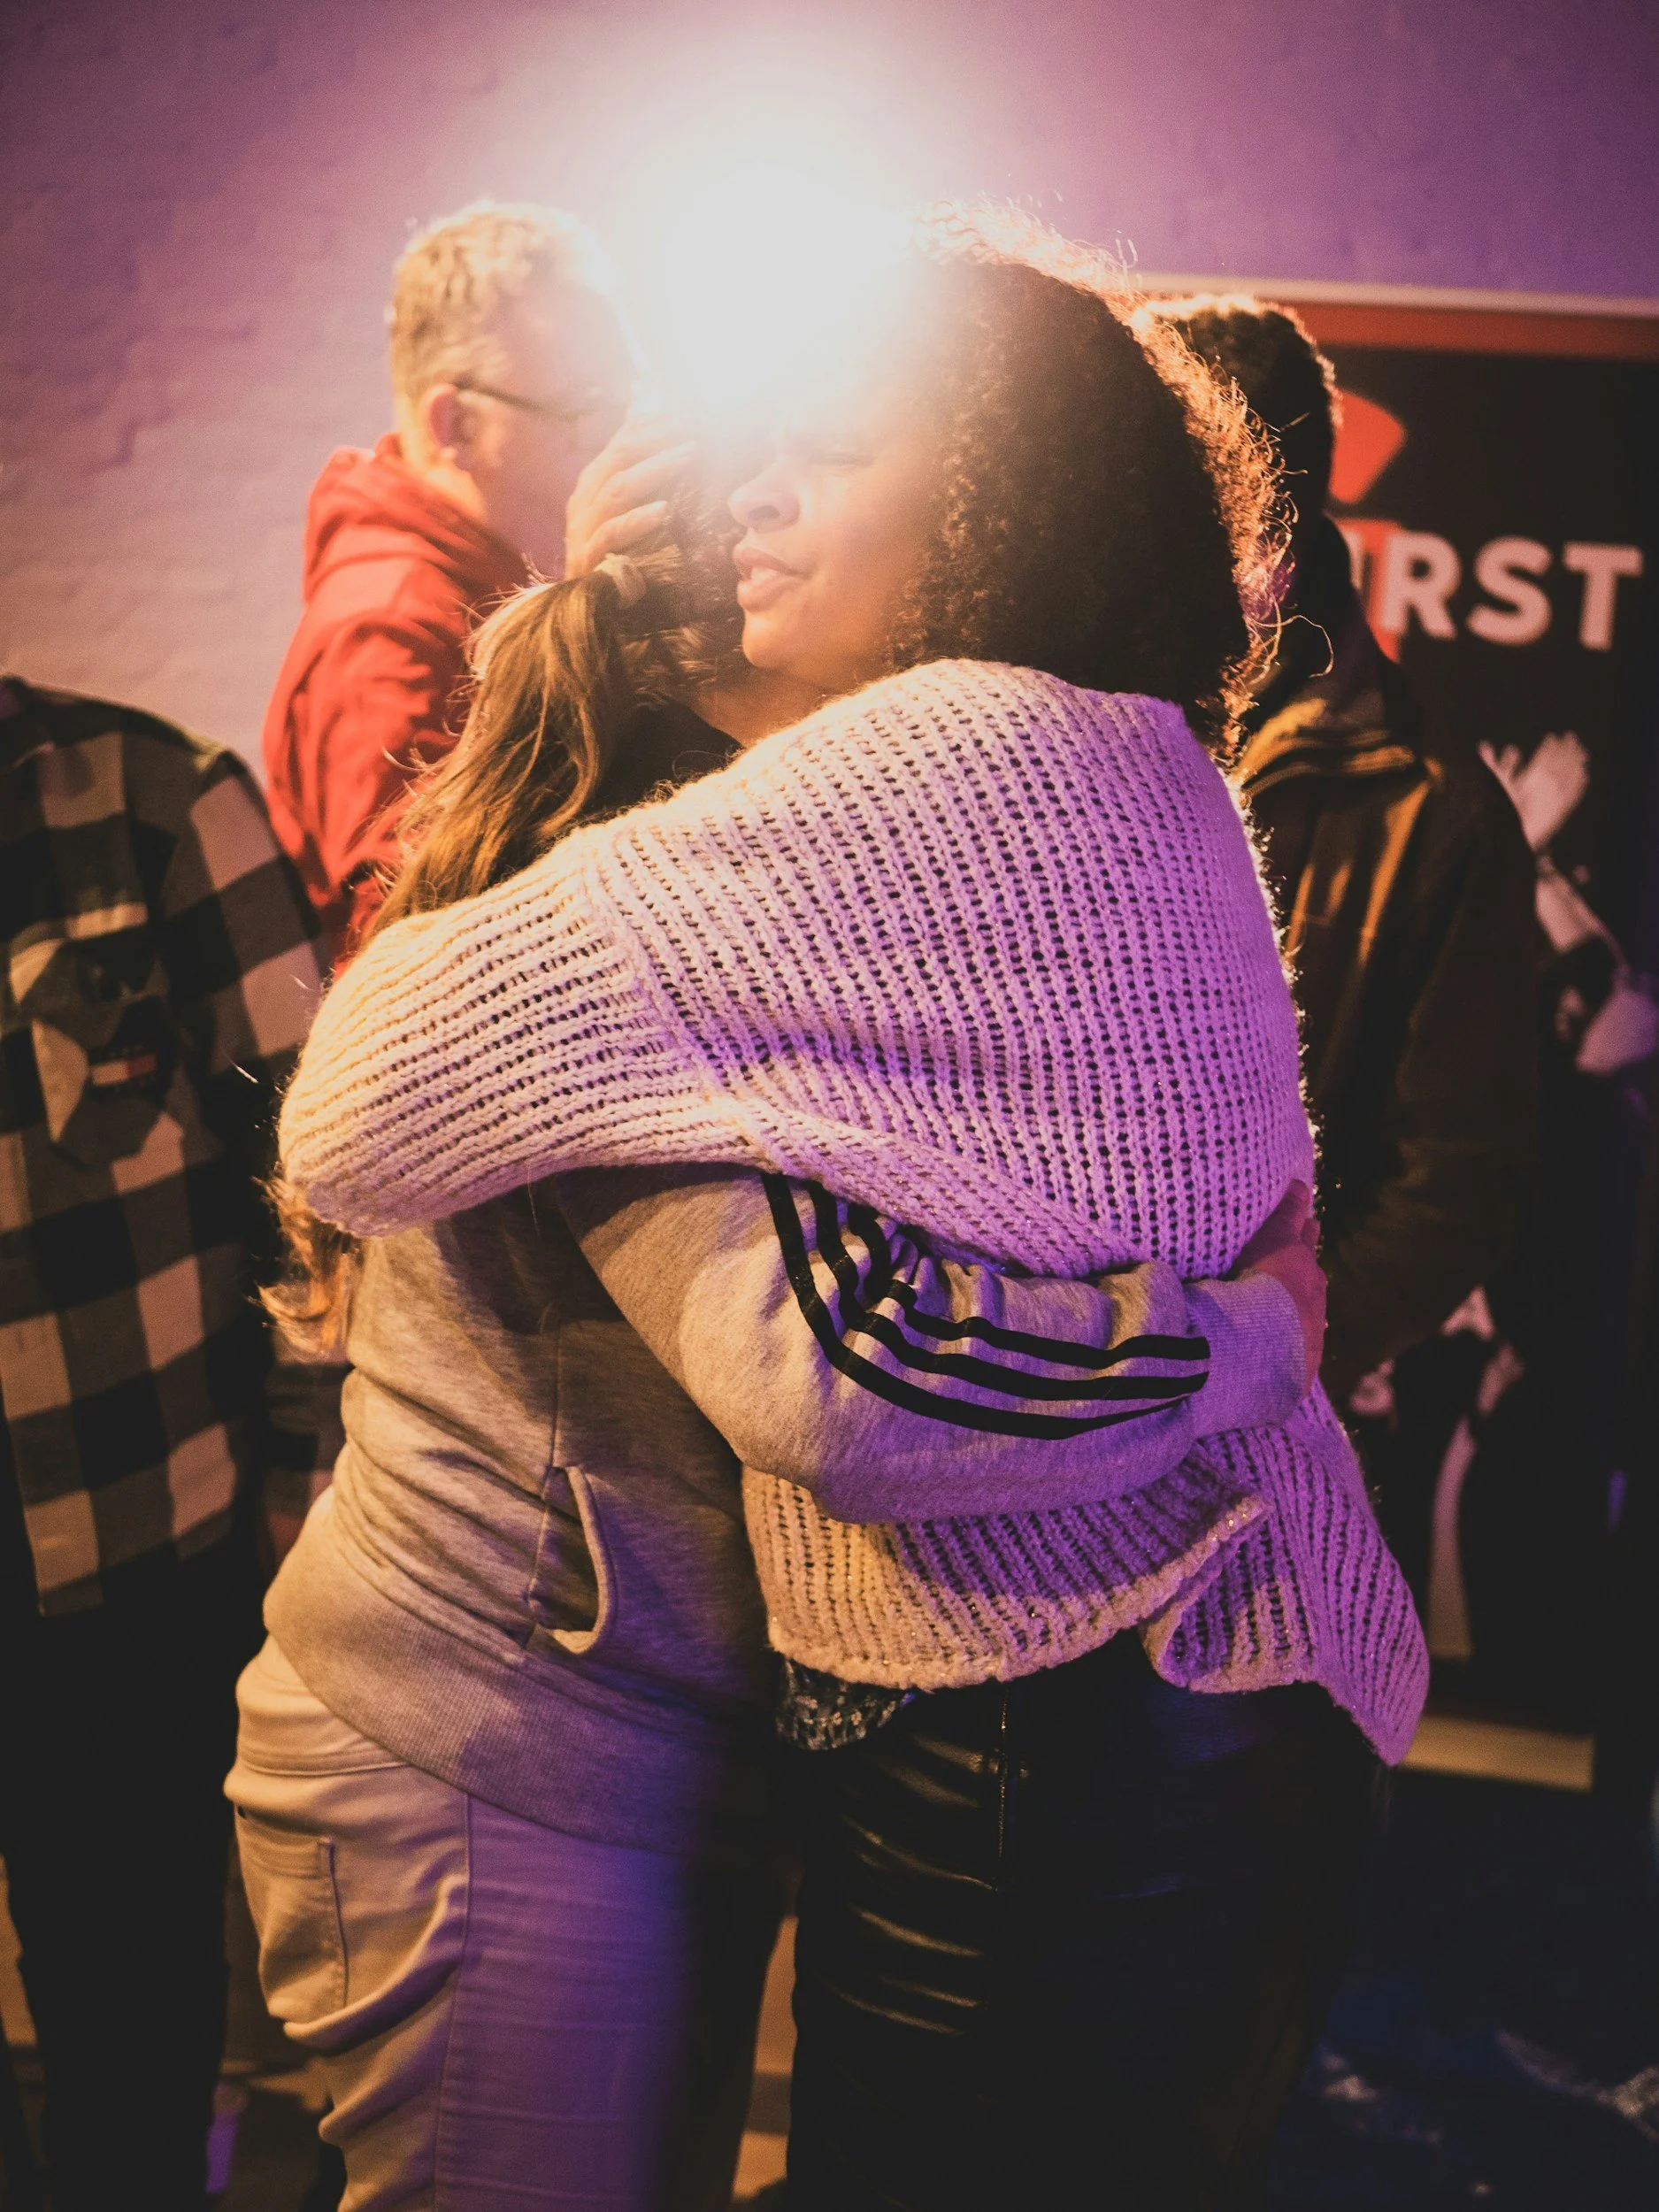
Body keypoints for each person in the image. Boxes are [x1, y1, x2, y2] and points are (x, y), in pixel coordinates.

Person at [277, 210, 1425, 2210]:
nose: (758, 500)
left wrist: (1242, 1340)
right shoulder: (1148, 761)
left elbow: (355, 1111)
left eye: (833, 451)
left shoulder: (904, 782)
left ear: (992, 494)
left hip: (1026, 1742)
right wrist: (1249, 1340)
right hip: (1196, 1697)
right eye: (749, 452)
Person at [0, 673, 328, 2210]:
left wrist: (298, 1501)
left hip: (135, 1554)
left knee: (130, 2040)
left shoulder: (148, 803)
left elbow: (314, 1210)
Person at [1151, 296, 1538, 1412]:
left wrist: (1264, 1364)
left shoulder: (1437, 817)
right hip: (1044, 1389)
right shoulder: (1057, 725)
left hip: (1267, 1437)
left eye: (1171, 499)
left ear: (1267, 514)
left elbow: (1454, 1186)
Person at [262, 199, 687, 964]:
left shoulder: (475, 592)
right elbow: (406, 935)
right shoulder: (389, 629)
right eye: (587, 406)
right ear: (454, 425)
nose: (619, 436)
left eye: (627, 398)